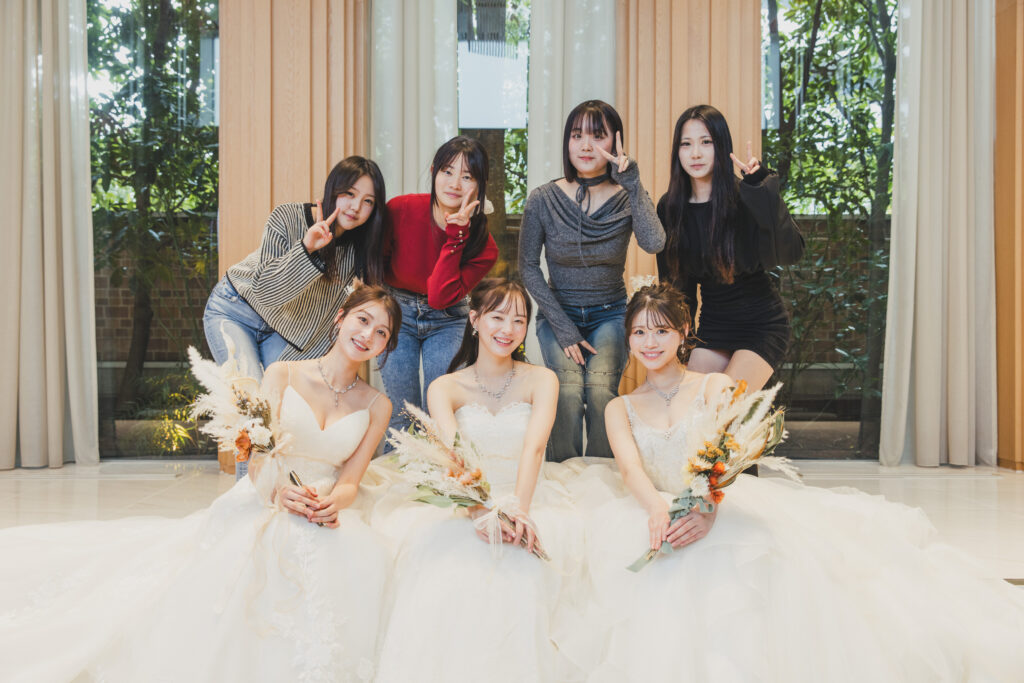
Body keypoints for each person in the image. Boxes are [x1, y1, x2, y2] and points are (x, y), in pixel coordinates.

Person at [563, 282, 1024, 682]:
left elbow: (729, 455)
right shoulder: (620, 407)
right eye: (639, 332)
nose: (650, 342)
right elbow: (630, 469)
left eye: (661, 330)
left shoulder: (714, 387)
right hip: (653, 506)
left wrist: (708, 507)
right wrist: (657, 510)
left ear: (684, 333)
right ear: (628, 338)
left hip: (715, 507)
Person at [0, 282, 401, 683]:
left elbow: (351, 480)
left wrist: (333, 503)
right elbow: (257, 458)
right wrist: (280, 493)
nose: (367, 335)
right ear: (340, 318)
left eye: (381, 332)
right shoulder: (283, 374)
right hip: (271, 495)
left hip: (324, 508)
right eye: (362, 320)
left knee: (351, 562)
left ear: (386, 345)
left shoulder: (377, 405)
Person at [374, 278, 585, 683]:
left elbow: (534, 449)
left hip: (528, 493)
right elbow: (455, 459)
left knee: (528, 566)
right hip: (469, 501)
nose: (508, 329)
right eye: (497, 317)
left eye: (519, 320)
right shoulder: (445, 387)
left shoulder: (543, 379)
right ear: (474, 319)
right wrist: (480, 511)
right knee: (451, 566)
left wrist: (518, 510)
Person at [519, 99, 665, 462]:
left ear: (615, 142)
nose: (586, 145)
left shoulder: (627, 197)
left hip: (610, 313)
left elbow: (654, 242)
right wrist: (564, 327)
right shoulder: (543, 198)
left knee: (601, 391)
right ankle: (564, 475)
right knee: (567, 391)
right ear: (567, 142)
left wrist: (634, 184)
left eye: (598, 136)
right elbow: (528, 266)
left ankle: (602, 476)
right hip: (559, 313)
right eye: (577, 135)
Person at [656, 104, 804, 392]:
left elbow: (791, 252)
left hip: (762, 324)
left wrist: (760, 189)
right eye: (686, 144)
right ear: (677, 151)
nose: (695, 153)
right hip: (714, 324)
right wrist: (680, 339)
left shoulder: (746, 195)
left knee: (723, 403)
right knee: (691, 403)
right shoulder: (670, 207)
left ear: (721, 147)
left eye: (706, 142)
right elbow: (676, 285)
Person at [203, 155, 387, 379]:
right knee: (250, 393)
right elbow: (266, 293)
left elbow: (328, 321)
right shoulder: (288, 216)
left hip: (286, 331)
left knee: (277, 396)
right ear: (333, 189)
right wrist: (306, 247)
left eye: (368, 201)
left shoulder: (360, 252)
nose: (356, 207)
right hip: (237, 309)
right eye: (350, 193)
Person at [377, 136, 499, 440]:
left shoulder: (484, 247)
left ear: (480, 185)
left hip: (448, 318)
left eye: (467, 176)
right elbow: (376, 267)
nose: (455, 183)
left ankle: (439, 468)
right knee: (401, 411)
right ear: (434, 171)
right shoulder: (401, 209)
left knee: (439, 410)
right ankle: (399, 470)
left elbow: (440, 296)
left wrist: (457, 235)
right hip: (396, 311)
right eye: (447, 171)